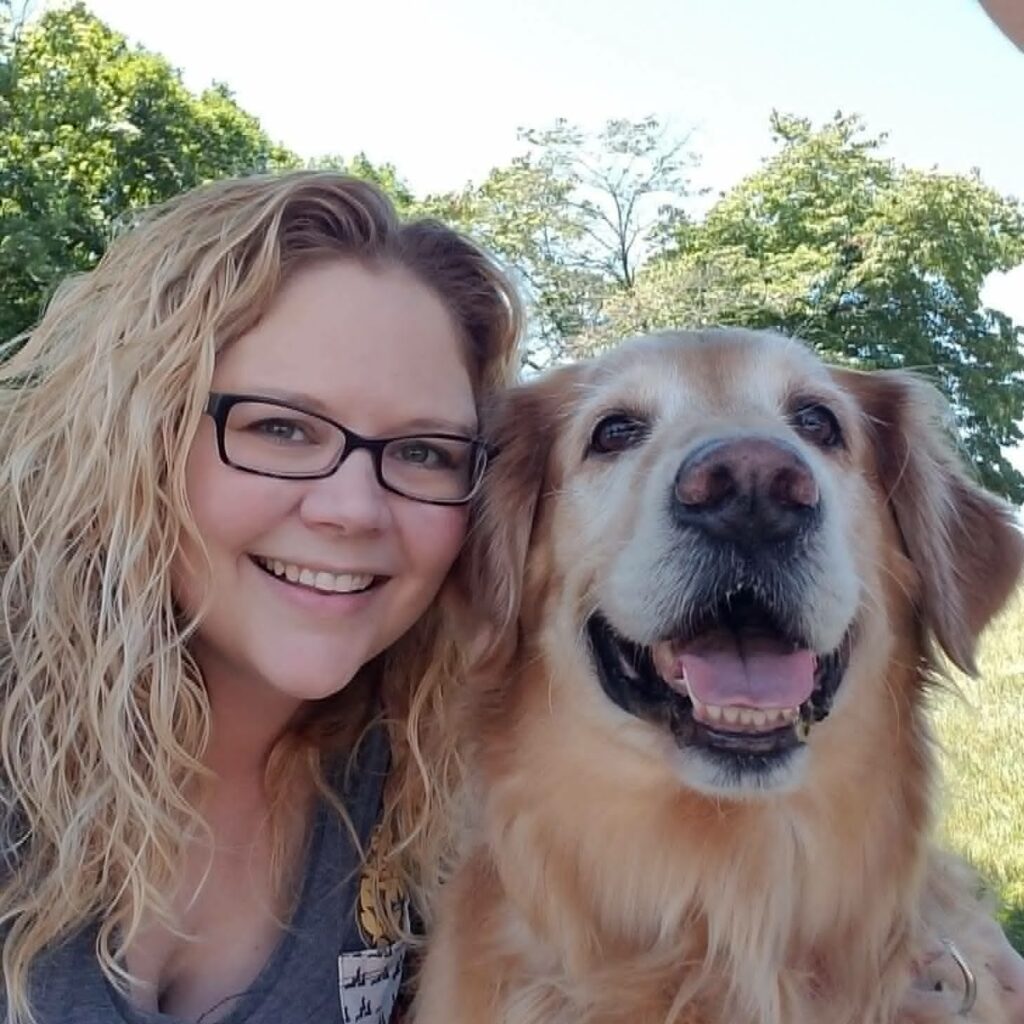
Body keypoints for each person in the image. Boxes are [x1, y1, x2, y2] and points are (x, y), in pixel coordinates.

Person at [0, 170, 1020, 1024]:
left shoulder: (418, 790)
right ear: (137, 434)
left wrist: (929, 949)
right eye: (278, 427)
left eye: (424, 450)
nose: (354, 506)